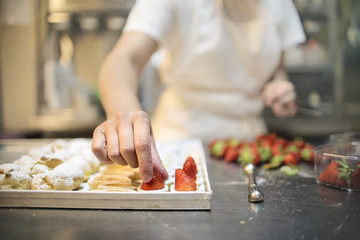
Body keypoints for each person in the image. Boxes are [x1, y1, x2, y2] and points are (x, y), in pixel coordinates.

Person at [91, 0, 305, 183]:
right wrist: (124, 112)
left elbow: (277, 66)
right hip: (180, 138)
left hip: (249, 145)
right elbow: (124, 58)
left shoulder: (280, 4)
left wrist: (279, 85)